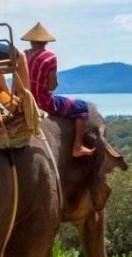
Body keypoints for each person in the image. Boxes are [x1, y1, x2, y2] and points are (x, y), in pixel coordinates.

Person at [22, 22, 94, 157]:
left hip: (21, 100)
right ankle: (78, 147)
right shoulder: (49, 57)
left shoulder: (22, 55)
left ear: (30, 41)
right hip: (41, 102)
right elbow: (52, 86)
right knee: (82, 107)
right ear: (46, 42)